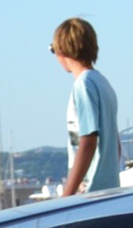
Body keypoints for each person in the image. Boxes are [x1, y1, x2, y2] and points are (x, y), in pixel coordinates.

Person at [51, 17, 122, 198]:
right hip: (110, 189)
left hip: (91, 193)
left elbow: (88, 141)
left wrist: (67, 195)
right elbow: (116, 143)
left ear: (61, 51)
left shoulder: (84, 85)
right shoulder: (103, 83)